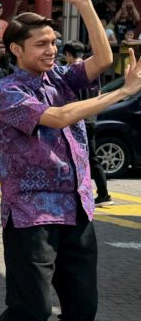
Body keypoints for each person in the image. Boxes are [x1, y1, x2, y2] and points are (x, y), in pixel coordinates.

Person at [0, 0, 141, 321]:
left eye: (54, 42)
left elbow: (104, 60)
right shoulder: (6, 91)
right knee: (32, 309)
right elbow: (57, 119)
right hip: (31, 212)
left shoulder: (62, 79)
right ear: (16, 49)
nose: (52, 50)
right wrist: (121, 94)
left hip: (77, 208)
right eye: (42, 44)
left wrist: (86, 3)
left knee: (83, 309)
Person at [63, 42, 112, 207]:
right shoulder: (94, 71)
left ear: (68, 55)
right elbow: (98, 94)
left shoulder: (70, 72)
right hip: (91, 119)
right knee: (91, 157)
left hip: (76, 119)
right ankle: (102, 193)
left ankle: (97, 194)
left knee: (75, 157)